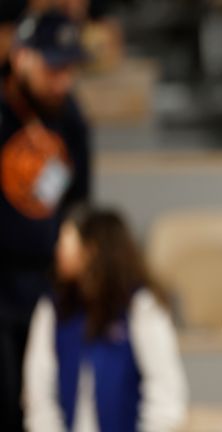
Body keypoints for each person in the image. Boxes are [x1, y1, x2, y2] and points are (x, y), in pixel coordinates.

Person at [0, 10, 90, 430]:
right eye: (53, 68)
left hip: (48, 284)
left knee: (49, 405)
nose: (62, 81)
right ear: (22, 58)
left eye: (69, 68)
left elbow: (79, 202)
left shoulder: (70, 119)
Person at [23, 206, 188, 432]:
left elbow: (165, 393)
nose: (58, 250)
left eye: (66, 240)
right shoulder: (53, 310)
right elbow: (39, 395)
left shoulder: (141, 307)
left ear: (92, 249)